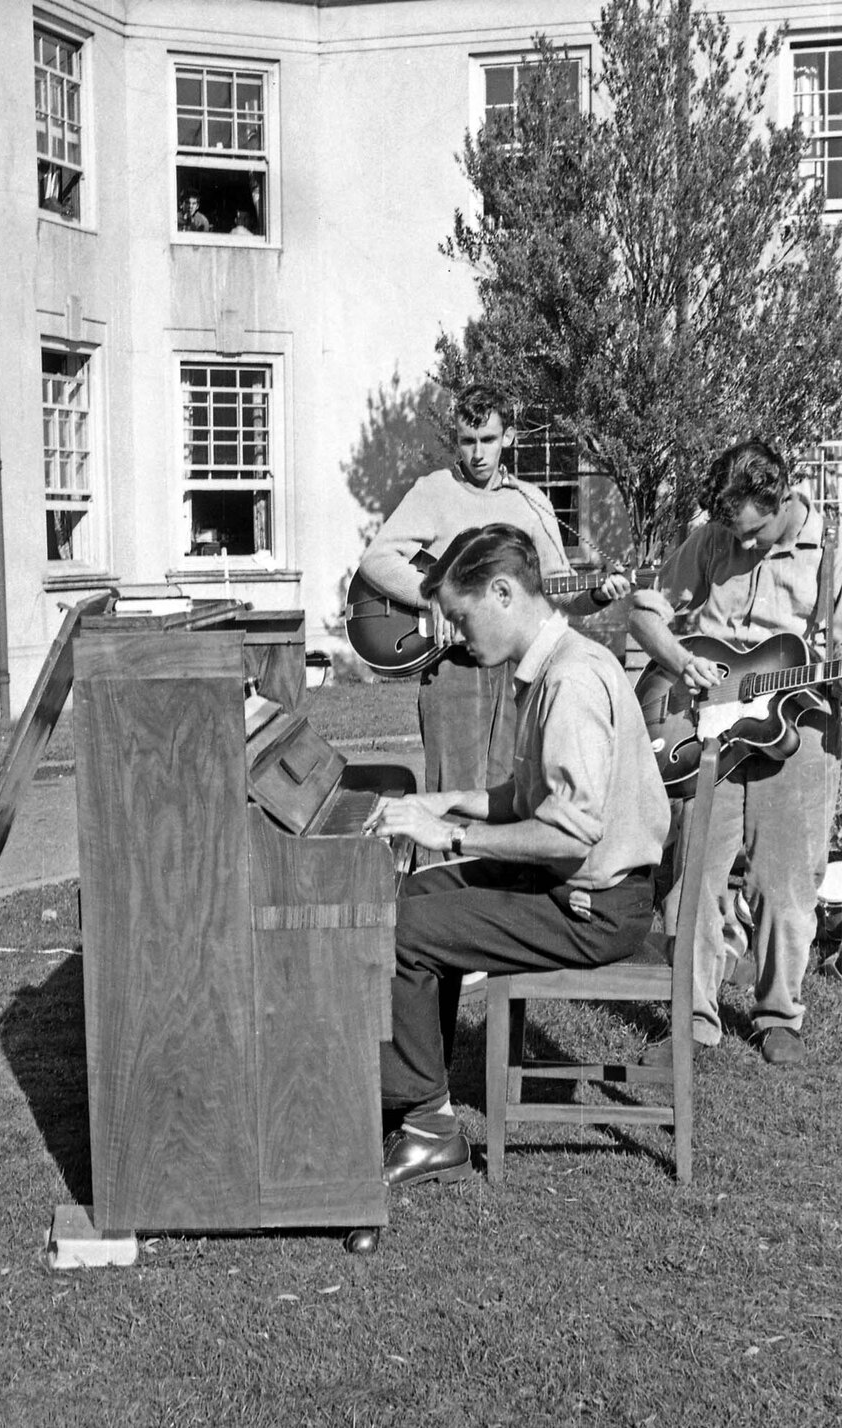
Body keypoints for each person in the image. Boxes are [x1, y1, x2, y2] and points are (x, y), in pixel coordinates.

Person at [364, 524, 671, 1187]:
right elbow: (523, 797)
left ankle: (427, 1127)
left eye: (460, 616)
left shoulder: (571, 684)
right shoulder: (551, 667)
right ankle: (420, 1099)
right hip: (577, 887)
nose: (454, 634)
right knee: (415, 898)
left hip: (595, 907)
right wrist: (445, 803)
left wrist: (448, 835)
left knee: (405, 929)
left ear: (502, 592)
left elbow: (569, 832)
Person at [630, 439, 842, 1068]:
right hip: (709, 726)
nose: (741, 549)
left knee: (787, 883)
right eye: (734, 536)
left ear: (781, 497)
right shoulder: (712, 540)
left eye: (753, 535)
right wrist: (679, 661)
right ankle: (692, 1018)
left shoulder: (831, 551)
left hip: (802, 728)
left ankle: (780, 1015)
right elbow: (644, 614)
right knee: (693, 874)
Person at [359, 384, 631, 797]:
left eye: (488, 439)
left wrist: (598, 593)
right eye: (468, 441)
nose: (478, 453)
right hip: (453, 666)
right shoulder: (435, 490)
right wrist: (433, 595)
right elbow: (376, 560)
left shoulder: (531, 501)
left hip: (517, 667)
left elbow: (555, 589)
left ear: (509, 437)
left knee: (512, 790)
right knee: (453, 794)